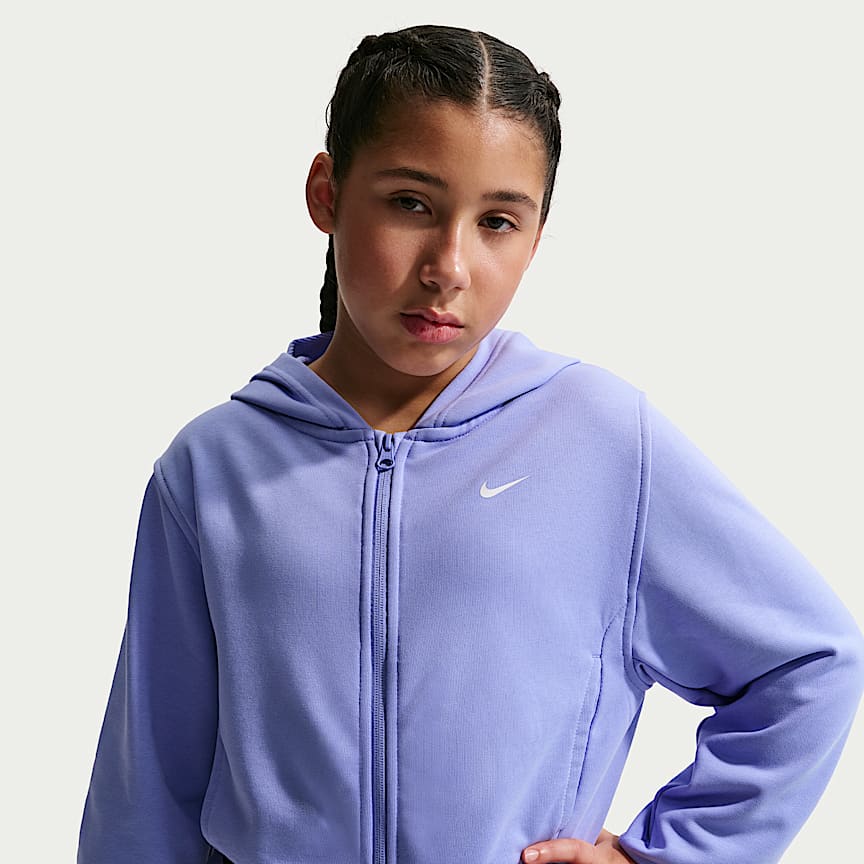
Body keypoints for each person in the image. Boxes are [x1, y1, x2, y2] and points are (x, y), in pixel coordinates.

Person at [77, 23, 864, 864]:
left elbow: (809, 662)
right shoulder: (211, 471)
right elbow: (147, 796)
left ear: (536, 235)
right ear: (327, 194)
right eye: (410, 204)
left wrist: (668, 855)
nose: (448, 265)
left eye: (497, 221)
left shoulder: (600, 441)